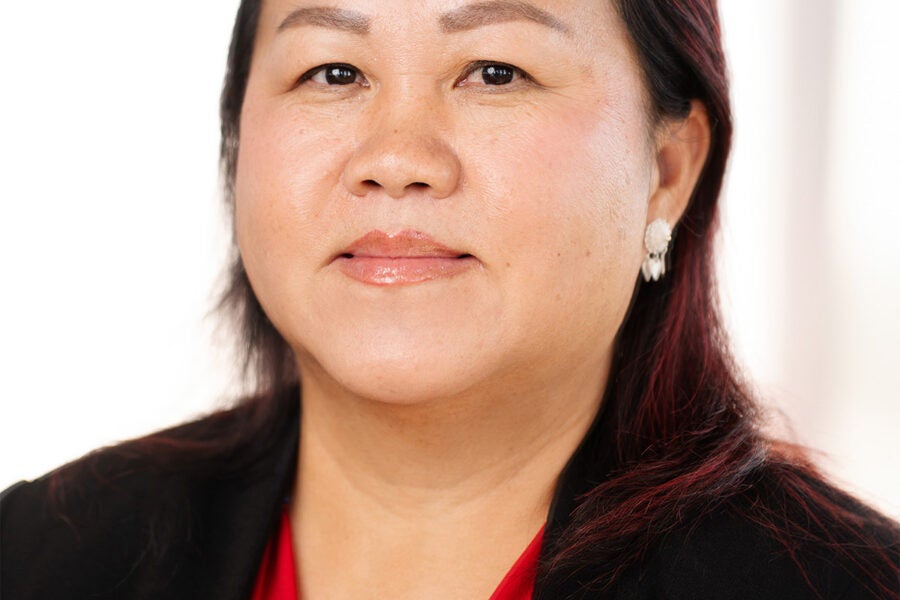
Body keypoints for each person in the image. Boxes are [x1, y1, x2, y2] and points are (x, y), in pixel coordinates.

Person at [1, 0, 897, 598]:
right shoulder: (40, 553)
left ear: (668, 171)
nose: (397, 157)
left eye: (495, 71)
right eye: (333, 73)